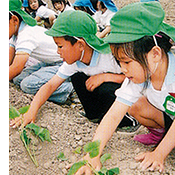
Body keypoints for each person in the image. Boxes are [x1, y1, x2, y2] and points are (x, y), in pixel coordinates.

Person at [73, 2, 175, 174]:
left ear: (155, 54)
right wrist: (93, 154)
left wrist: (159, 154)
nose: (123, 69)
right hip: (169, 116)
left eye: (126, 62)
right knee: (135, 105)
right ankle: (162, 135)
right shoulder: (141, 74)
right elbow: (113, 114)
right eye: (119, 62)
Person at [10, 10, 137, 131]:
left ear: (80, 45)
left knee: (106, 89)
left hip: (128, 96)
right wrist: (31, 111)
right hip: (104, 93)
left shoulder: (110, 56)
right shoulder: (74, 62)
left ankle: (128, 121)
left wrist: (105, 77)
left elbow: (136, 78)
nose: (58, 52)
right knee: (78, 78)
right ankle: (94, 116)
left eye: (60, 46)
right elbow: (50, 85)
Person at [9, 0, 73, 104]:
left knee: (27, 85)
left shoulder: (26, 34)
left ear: (15, 20)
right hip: (49, 62)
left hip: (64, 62)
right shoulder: (16, 33)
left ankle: (70, 89)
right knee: (17, 80)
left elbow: (16, 67)